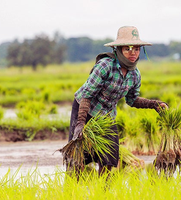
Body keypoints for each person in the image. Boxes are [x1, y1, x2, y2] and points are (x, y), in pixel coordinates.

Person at [67, 26, 168, 176]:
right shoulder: (105, 66)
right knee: (78, 154)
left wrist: (153, 104)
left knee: (109, 156)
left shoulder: (135, 75)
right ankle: (74, 187)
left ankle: (104, 190)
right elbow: (86, 95)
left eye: (136, 49)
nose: (132, 53)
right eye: (128, 49)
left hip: (107, 116)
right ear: (118, 50)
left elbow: (132, 100)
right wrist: (80, 123)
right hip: (86, 109)